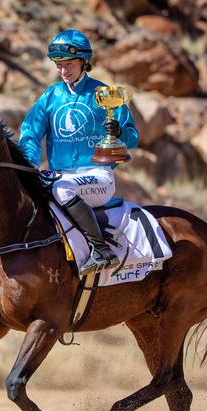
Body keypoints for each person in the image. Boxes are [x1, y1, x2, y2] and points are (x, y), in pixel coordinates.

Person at [19, 29, 139, 276]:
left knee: (62, 189)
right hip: (58, 175)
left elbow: (133, 138)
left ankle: (101, 250)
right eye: (59, 65)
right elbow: (30, 133)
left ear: (85, 61)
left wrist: (118, 132)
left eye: (69, 64)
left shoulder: (104, 93)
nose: (63, 71)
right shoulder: (51, 95)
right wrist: (28, 167)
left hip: (97, 175)